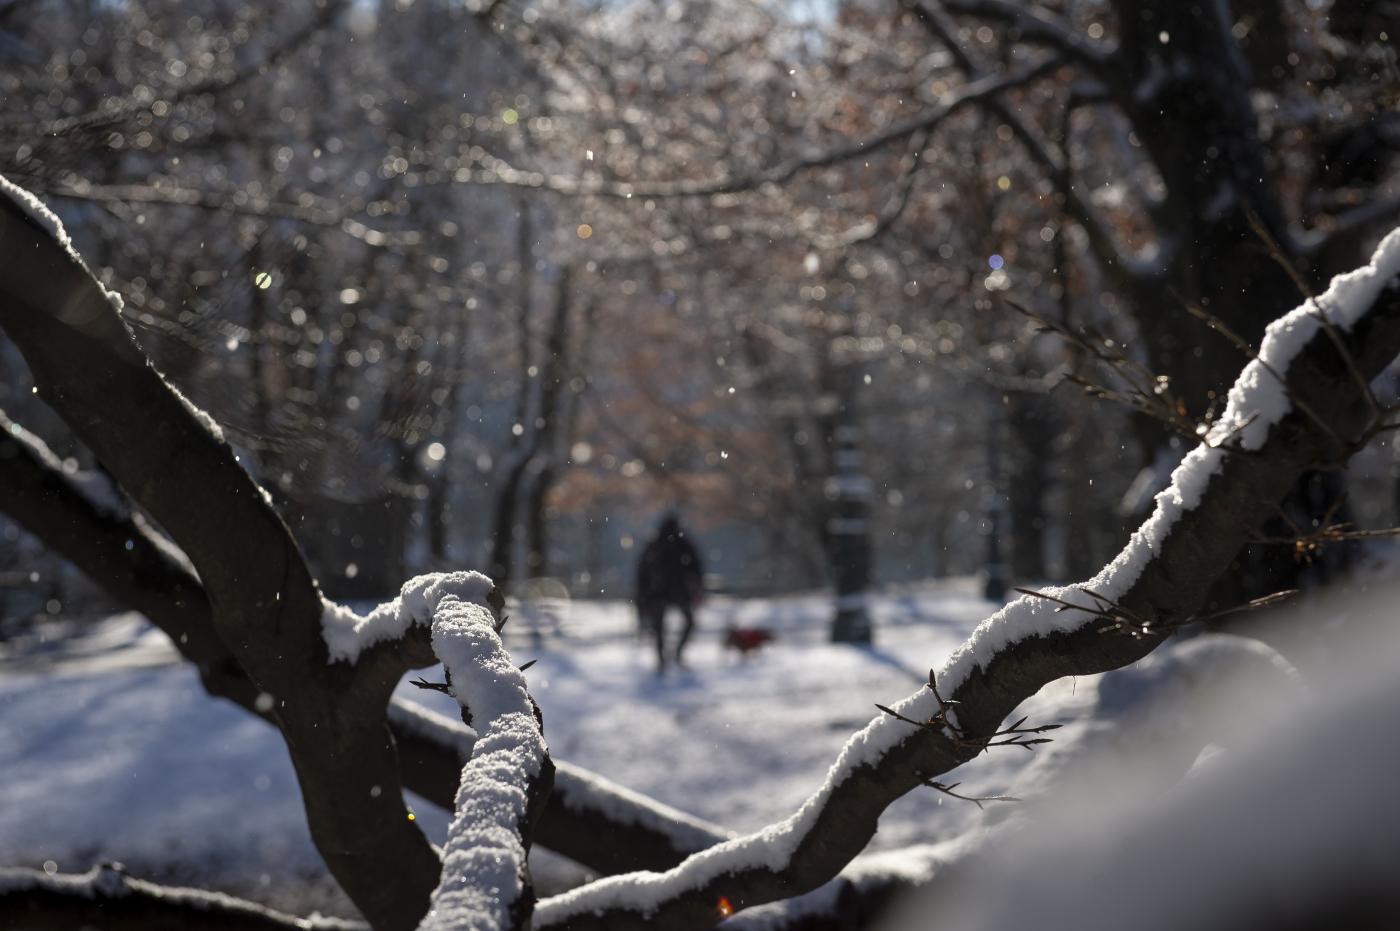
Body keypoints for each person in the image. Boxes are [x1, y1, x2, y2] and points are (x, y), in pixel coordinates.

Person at [635, 513, 704, 672]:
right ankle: (675, 654)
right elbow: (695, 569)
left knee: (659, 627)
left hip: (658, 592)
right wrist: (697, 589)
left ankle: (662, 660)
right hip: (677, 591)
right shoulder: (683, 544)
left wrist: (642, 596)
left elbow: (642, 573)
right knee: (687, 623)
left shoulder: (654, 544)